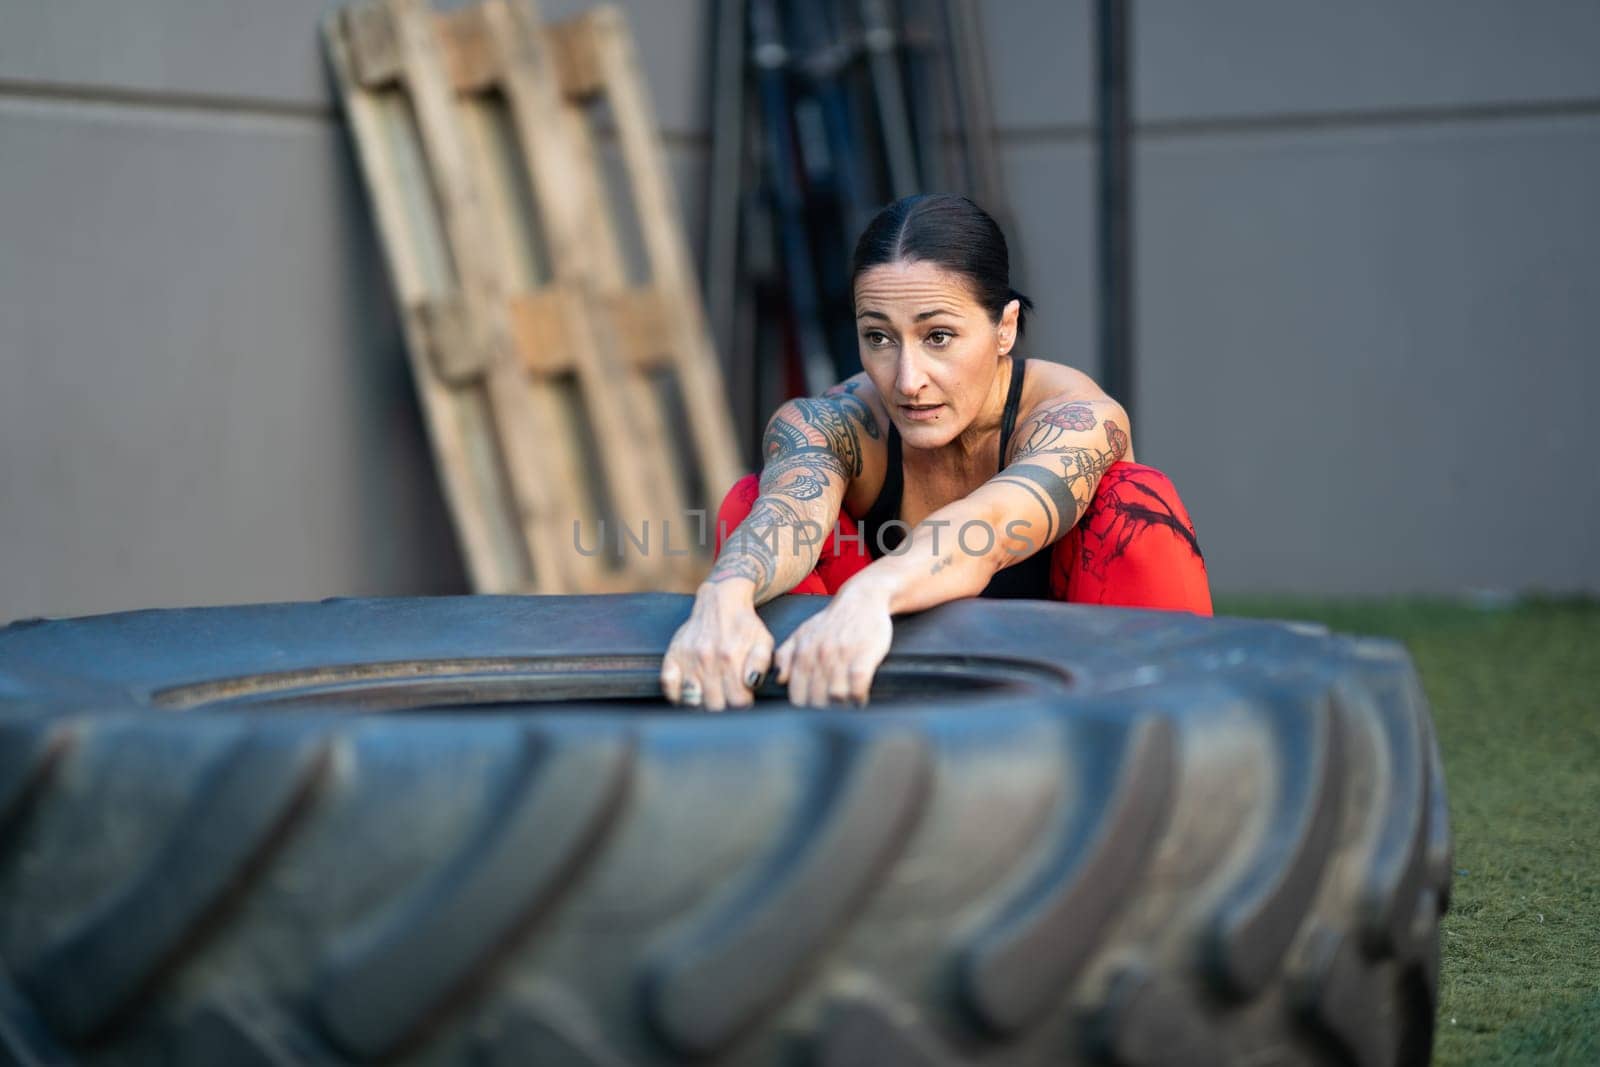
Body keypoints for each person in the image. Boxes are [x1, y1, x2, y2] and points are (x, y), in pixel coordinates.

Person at [660, 193, 1210, 711]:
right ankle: (822, 764)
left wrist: (870, 594)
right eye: (878, 337)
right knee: (752, 502)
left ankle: (1173, 753)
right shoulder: (839, 422)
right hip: (877, 698)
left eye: (938, 336)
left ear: (1005, 328)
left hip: (1073, 704)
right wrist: (722, 596)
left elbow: (989, 530)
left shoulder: (1078, 418)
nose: (907, 380)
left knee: (1133, 498)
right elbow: (789, 512)